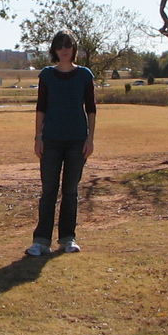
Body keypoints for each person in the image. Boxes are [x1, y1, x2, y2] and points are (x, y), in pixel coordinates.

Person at [26, 30, 96, 256]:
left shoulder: (85, 75)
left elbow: (91, 109)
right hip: (51, 141)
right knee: (48, 190)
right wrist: (38, 137)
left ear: (74, 48)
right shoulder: (46, 75)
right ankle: (41, 241)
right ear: (55, 50)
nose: (64, 49)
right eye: (59, 45)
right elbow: (41, 108)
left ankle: (67, 238)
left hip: (77, 141)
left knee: (70, 191)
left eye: (68, 45)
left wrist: (90, 138)